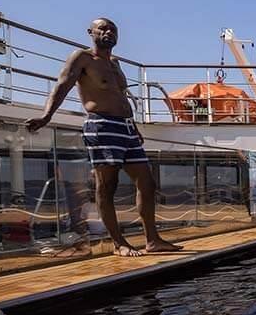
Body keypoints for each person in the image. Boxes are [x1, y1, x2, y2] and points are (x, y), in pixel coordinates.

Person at [25, 18, 182, 257]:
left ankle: (152, 240)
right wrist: (46, 115)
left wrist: (133, 127)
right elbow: (62, 85)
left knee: (147, 183)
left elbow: (121, 96)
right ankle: (119, 243)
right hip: (102, 125)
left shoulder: (115, 63)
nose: (108, 33)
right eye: (103, 29)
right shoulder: (82, 58)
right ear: (91, 32)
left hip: (127, 128)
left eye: (113, 30)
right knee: (107, 185)